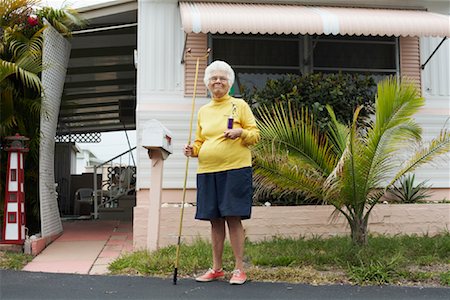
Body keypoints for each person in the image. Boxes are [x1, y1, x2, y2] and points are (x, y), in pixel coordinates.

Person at [183, 60, 260, 285]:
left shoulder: (240, 105)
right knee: (214, 220)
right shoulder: (203, 111)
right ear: (208, 83)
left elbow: (255, 134)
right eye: (214, 78)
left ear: (229, 83)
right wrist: (193, 150)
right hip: (208, 170)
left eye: (222, 78)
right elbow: (200, 141)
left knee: (232, 217)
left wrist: (240, 132)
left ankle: (239, 269)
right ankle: (216, 268)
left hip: (235, 169)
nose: (218, 81)